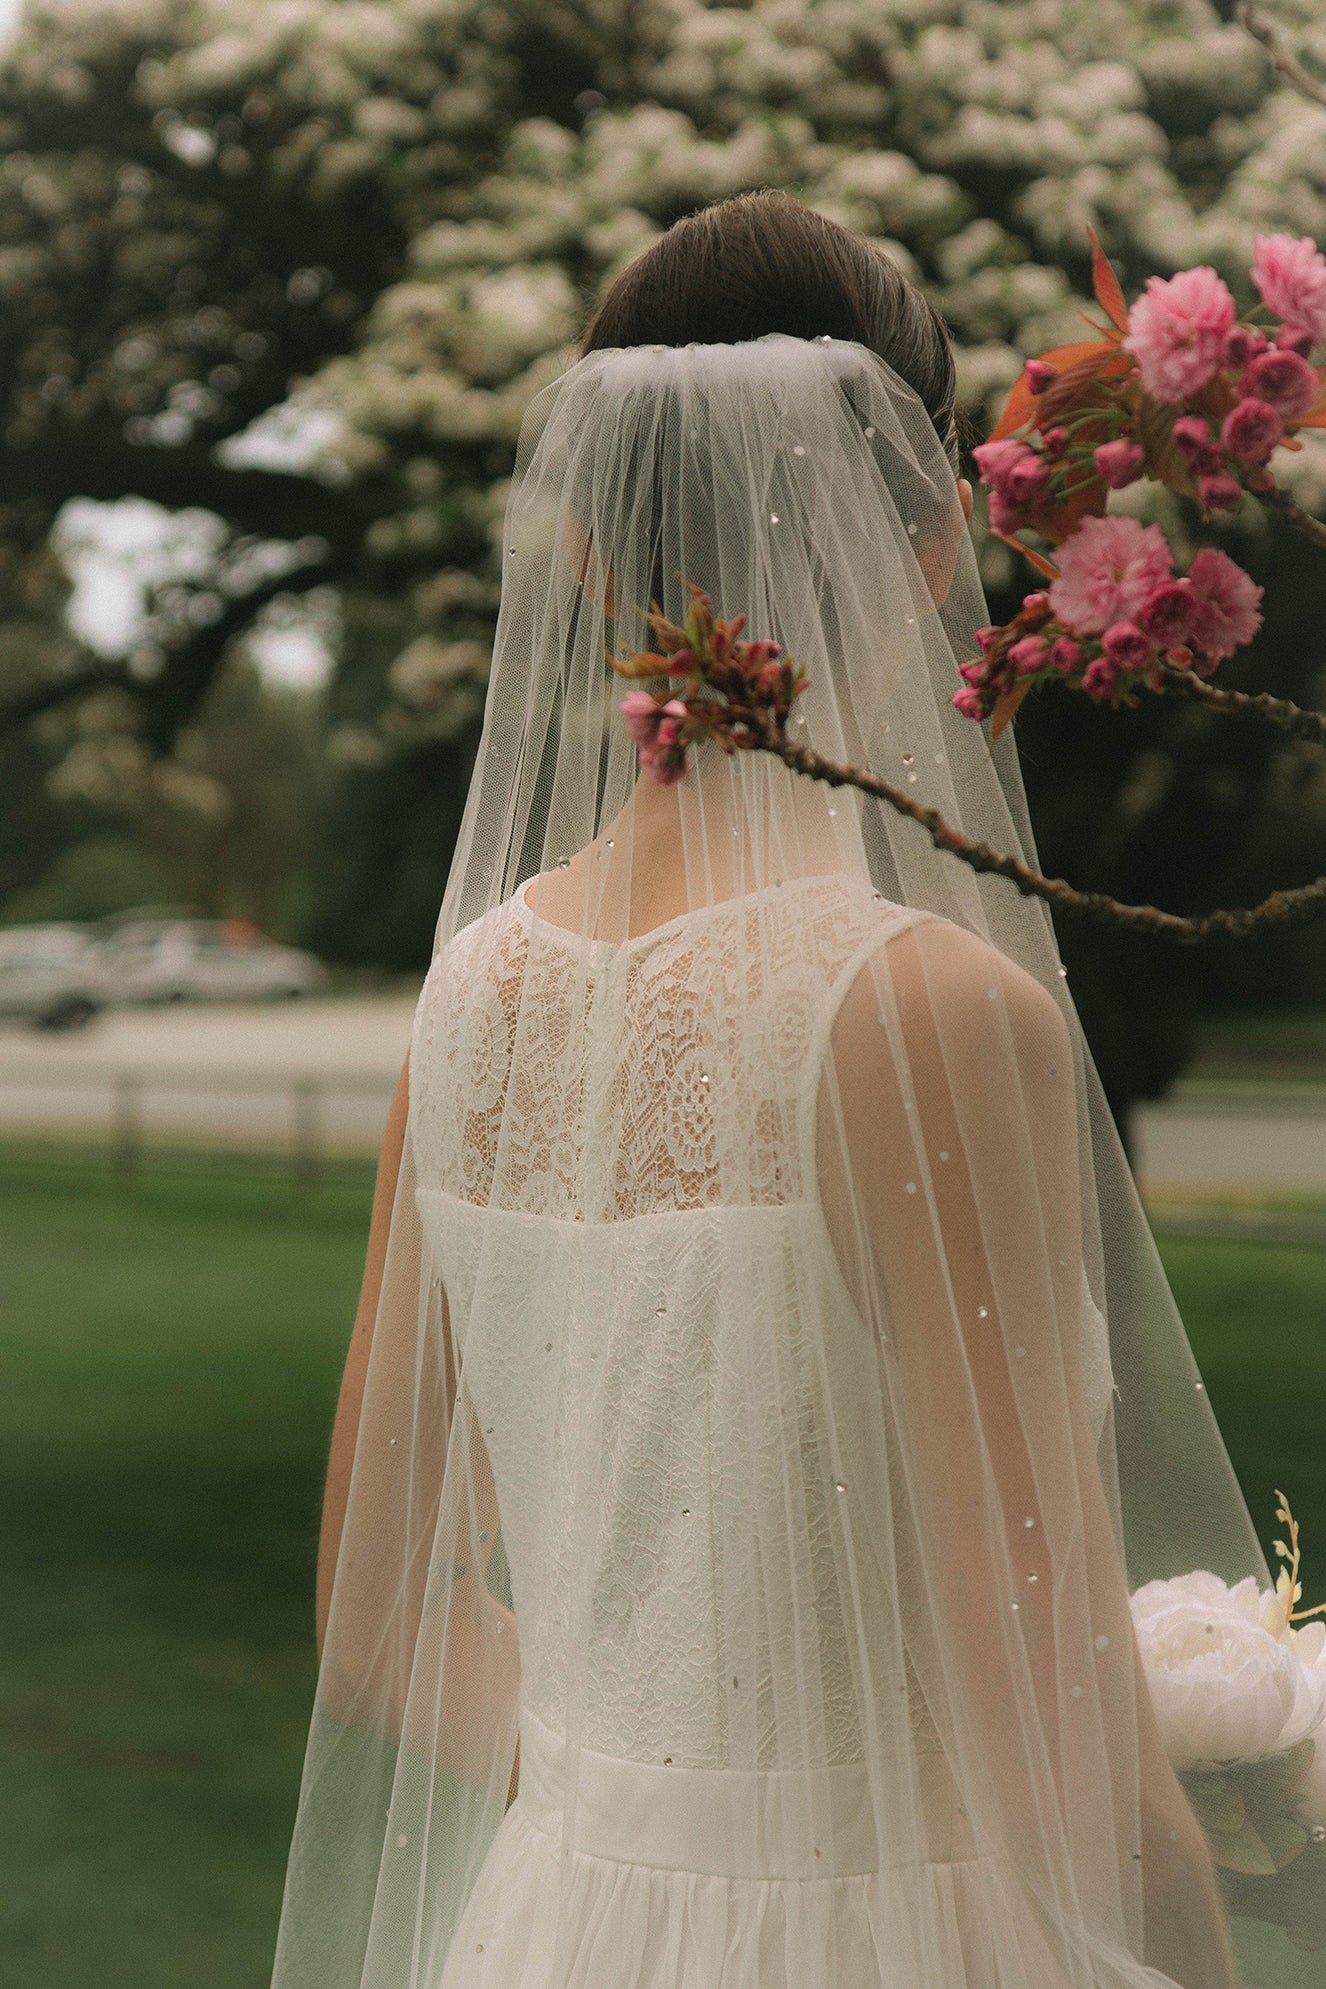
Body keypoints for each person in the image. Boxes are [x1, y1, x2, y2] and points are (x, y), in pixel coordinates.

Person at [270, 193, 1276, 1989]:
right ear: (921, 551)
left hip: (556, 1918)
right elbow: (1026, 1659)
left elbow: (372, 1630)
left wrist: (645, 1827)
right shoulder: (921, 1008)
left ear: (581, 558)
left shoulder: (468, 997)